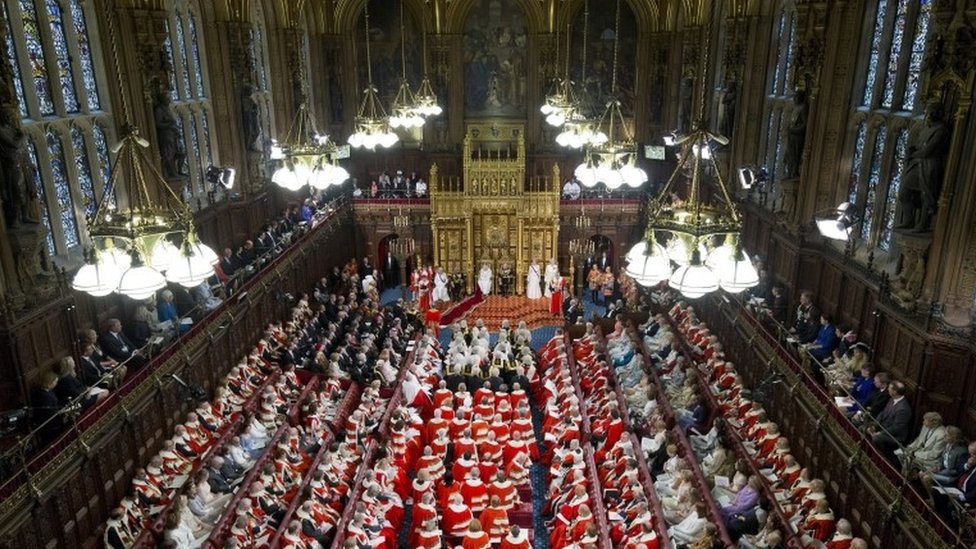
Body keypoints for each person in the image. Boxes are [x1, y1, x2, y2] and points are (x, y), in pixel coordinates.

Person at [896, 103, 950, 232]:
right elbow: (921, 146)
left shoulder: (941, 130)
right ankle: (909, 220)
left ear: (935, 114)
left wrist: (912, 154)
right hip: (916, 163)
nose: (927, 116)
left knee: (926, 195)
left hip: (929, 165)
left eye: (929, 113)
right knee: (904, 193)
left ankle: (922, 224)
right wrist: (912, 150)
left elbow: (929, 150)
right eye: (926, 112)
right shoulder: (927, 128)